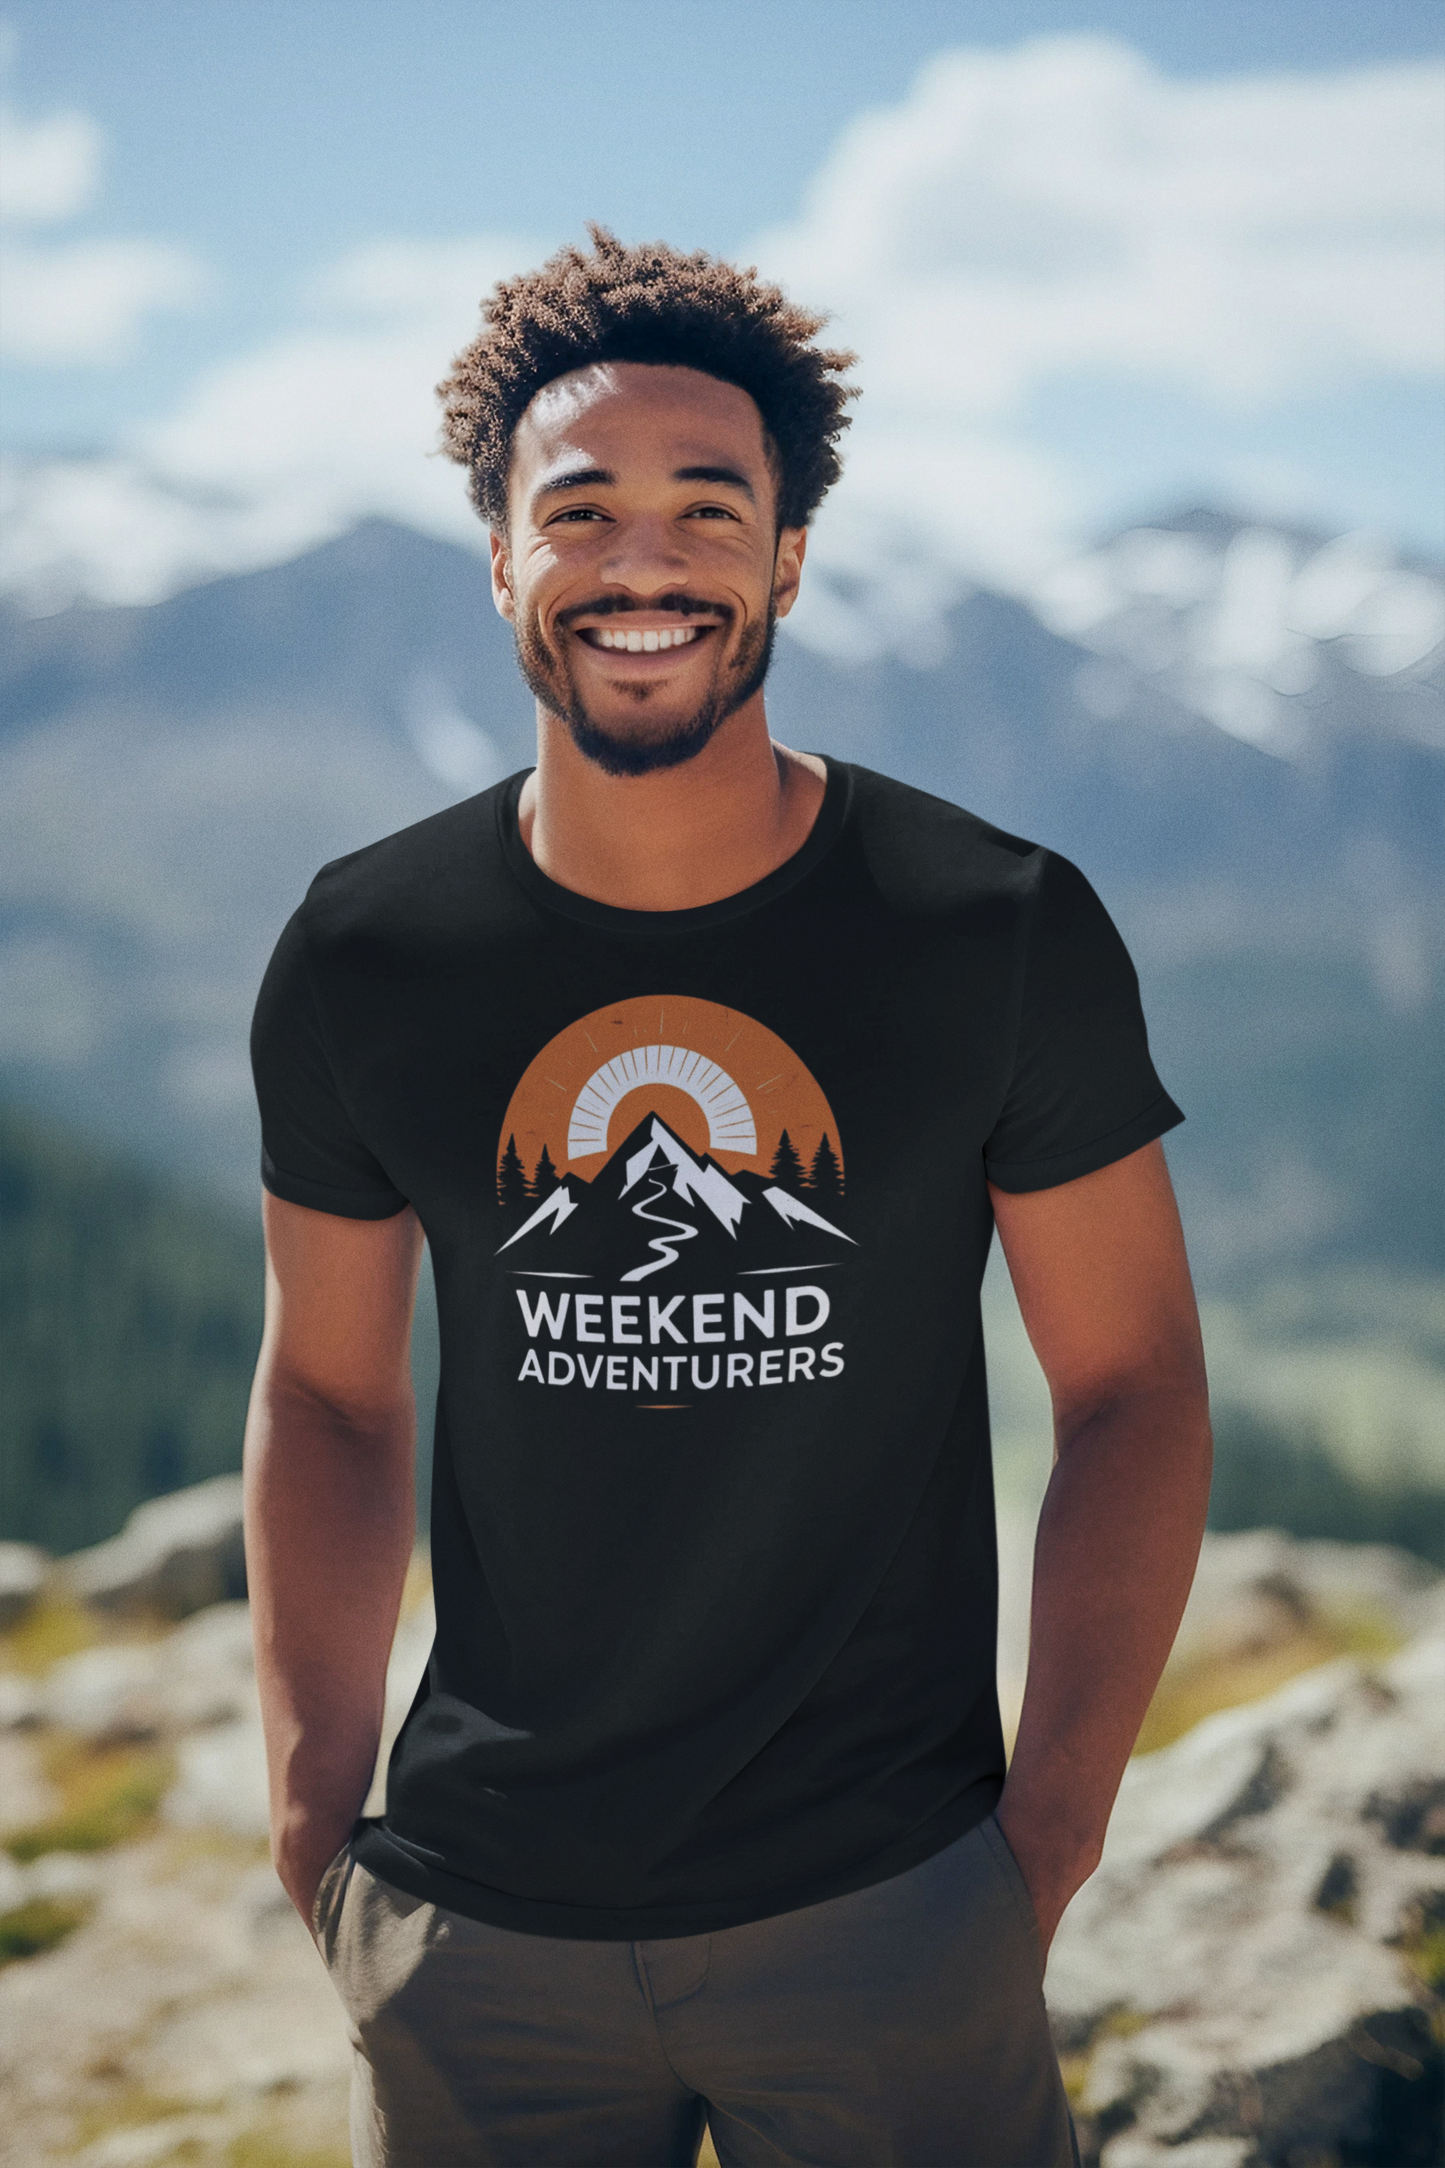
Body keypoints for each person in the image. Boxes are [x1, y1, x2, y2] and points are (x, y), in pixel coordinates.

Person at [247, 228, 1212, 2168]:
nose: (640, 557)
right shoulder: (368, 948)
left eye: (708, 504)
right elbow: (332, 1394)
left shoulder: (988, 927)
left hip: (887, 1911)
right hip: (473, 1933)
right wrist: (315, 1817)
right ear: (500, 558)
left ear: (783, 556)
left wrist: (1041, 1835)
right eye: (578, 505)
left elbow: (1131, 1386)